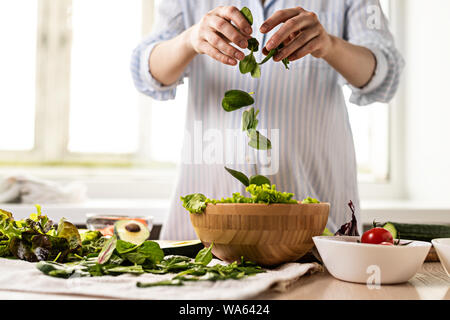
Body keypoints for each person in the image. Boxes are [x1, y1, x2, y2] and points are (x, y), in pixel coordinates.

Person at [131, 0, 404, 240]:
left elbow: (384, 74)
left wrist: (329, 45)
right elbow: (148, 73)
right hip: (205, 229)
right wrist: (189, 39)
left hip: (318, 229)